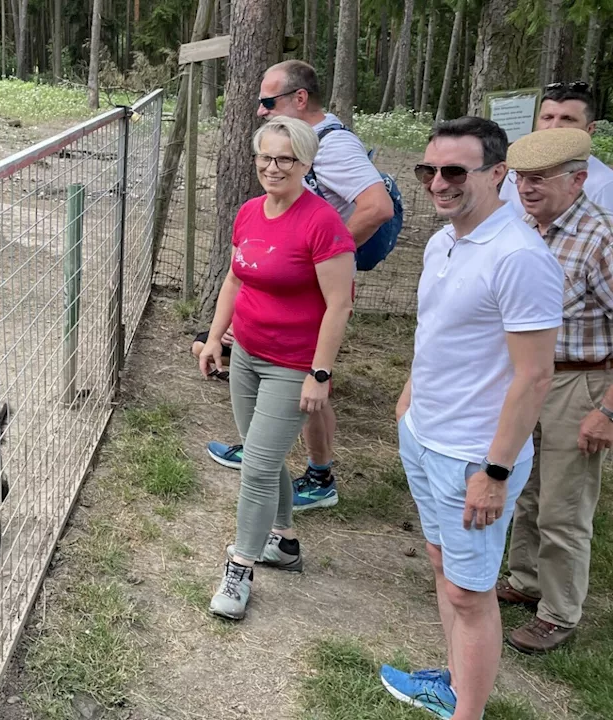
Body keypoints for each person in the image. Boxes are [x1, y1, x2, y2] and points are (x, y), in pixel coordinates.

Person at [378, 117, 564, 720]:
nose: (438, 183)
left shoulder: (519, 257)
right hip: (425, 436)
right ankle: (454, 683)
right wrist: (410, 399)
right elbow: (440, 335)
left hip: (472, 457)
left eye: (455, 171)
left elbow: (534, 376)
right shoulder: (444, 241)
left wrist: (496, 469)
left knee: (469, 590)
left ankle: (468, 711)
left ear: (497, 174)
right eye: (428, 170)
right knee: (442, 566)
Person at [205, 59, 395, 512]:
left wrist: (318, 257)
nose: (260, 111)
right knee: (301, 395)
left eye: (268, 102)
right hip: (284, 299)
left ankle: (317, 474)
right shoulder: (265, 188)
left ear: (300, 99)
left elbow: (378, 206)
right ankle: (284, 466)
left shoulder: (333, 147)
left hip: (312, 299)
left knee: (312, 382)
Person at [197, 116, 355, 621]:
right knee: (263, 459)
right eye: (265, 156)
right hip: (246, 353)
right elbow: (235, 280)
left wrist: (320, 372)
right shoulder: (248, 213)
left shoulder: (321, 222)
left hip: (293, 364)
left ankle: (240, 566)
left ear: (306, 163)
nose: (272, 167)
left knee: (259, 467)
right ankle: (284, 542)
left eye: (284, 158)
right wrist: (216, 337)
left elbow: (340, 305)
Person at [494, 127, 613, 654]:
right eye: (521, 177)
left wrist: (608, 411)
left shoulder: (601, 239)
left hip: (578, 383)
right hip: (528, 379)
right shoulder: (524, 228)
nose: (527, 187)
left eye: (541, 178)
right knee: (527, 488)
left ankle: (559, 611)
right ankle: (526, 581)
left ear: (578, 179)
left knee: (565, 505)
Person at [501, 81, 613, 213]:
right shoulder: (519, 171)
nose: (554, 126)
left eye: (568, 119)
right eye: (547, 117)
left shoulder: (604, 184)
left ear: (589, 129)